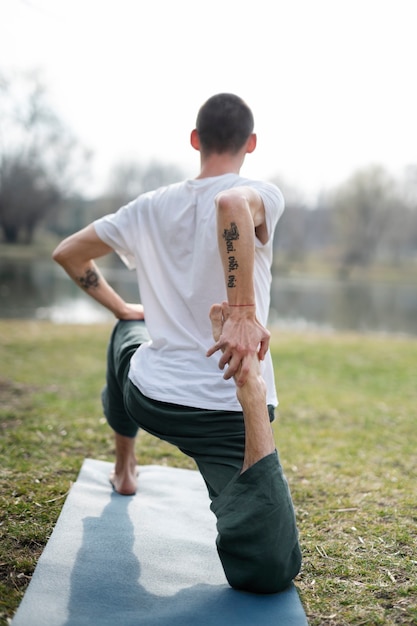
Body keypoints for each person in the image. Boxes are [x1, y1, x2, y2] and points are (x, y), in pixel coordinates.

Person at [52, 93, 302, 594]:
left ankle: (125, 467)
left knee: (127, 335)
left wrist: (122, 309)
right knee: (267, 567)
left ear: (195, 140)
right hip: (222, 411)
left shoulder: (149, 207)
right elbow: (232, 203)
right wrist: (243, 314)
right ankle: (251, 396)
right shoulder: (258, 190)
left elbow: (69, 253)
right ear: (250, 144)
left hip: (151, 399)